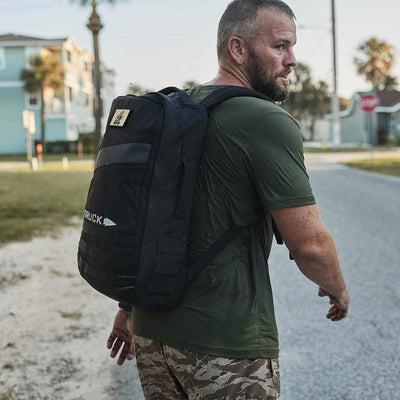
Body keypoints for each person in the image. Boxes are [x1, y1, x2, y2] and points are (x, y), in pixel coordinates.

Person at [106, 0, 350, 398]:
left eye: (292, 46)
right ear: (238, 49)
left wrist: (127, 307)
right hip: (225, 345)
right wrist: (337, 287)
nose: (292, 60)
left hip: (153, 335)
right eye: (280, 46)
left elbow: (148, 218)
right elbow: (309, 244)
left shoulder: (176, 111)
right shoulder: (265, 120)